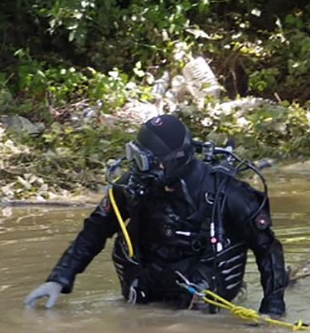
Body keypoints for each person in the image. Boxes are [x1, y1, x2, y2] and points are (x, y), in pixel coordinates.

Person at [24, 114, 288, 315]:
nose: (138, 169)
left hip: (205, 290)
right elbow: (95, 229)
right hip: (147, 284)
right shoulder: (133, 187)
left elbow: (267, 248)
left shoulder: (227, 193)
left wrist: (272, 307)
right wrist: (59, 278)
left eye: (146, 160)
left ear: (174, 160)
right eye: (136, 156)